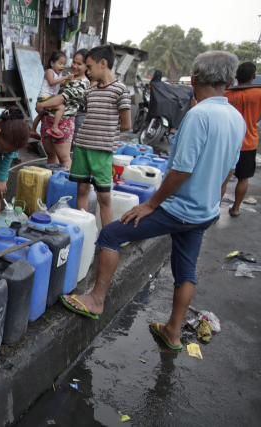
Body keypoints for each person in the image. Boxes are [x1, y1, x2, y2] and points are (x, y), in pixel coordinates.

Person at [61, 51, 245, 351]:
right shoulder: (235, 117)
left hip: (178, 208)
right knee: (185, 271)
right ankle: (172, 331)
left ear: (194, 79)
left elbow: (181, 171)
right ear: (229, 81)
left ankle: (95, 300)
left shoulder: (199, 115)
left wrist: (150, 204)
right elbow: (230, 169)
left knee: (111, 233)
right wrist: (216, 200)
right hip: (204, 211)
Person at [69, 45, 131, 227]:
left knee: (104, 196)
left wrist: (106, 129)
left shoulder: (120, 90)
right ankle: (83, 229)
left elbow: (126, 125)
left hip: (102, 150)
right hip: (82, 146)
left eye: (89, 67)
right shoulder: (90, 91)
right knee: (82, 189)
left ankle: (106, 236)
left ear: (103, 63)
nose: (87, 71)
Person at [35, 49, 91, 168]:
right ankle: (52, 183)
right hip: (47, 119)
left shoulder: (83, 82)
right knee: (51, 156)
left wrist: (42, 105)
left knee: (64, 158)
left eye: (79, 64)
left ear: (87, 66)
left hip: (63, 123)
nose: (74, 66)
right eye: (74, 62)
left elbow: (62, 98)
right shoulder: (67, 78)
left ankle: (64, 183)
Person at [223, 62, 261, 216]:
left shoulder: (226, 94)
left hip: (227, 143)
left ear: (236, 77)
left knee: (223, 178)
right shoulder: (258, 94)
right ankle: (235, 208)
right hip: (248, 142)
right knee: (243, 178)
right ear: (253, 77)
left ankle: (215, 210)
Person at [31, 50, 73, 139]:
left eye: (64, 64)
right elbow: (51, 82)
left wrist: (65, 82)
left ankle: (33, 130)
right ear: (52, 63)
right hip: (45, 98)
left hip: (49, 98)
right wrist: (64, 77)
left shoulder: (59, 74)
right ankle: (54, 127)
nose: (62, 66)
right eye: (60, 63)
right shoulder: (49, 71)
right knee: (61, 107)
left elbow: (58, 84)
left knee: (41, 114)